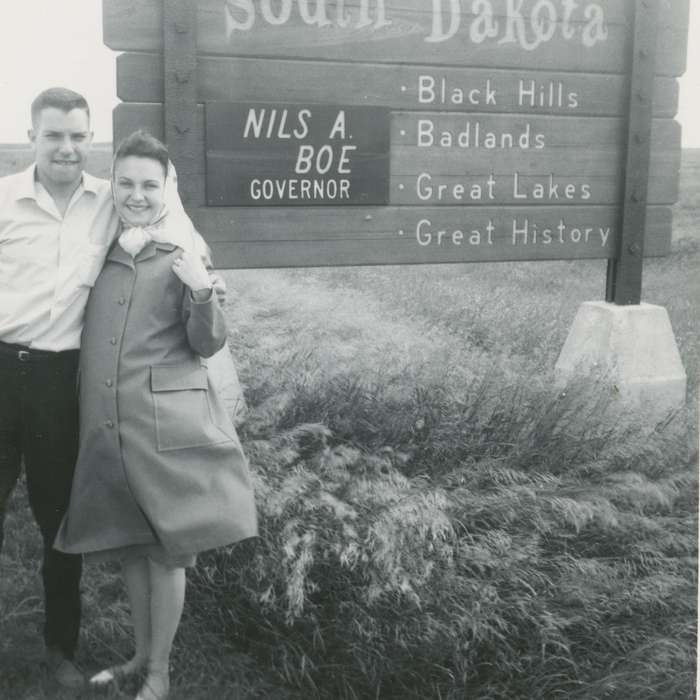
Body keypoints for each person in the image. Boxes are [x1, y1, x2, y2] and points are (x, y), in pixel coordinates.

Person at [54, 130, 258, 700]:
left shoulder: (183, 256)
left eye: (149, 184)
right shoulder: (103, 254)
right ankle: (139, 656)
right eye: (126, 183)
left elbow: (209, 342)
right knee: (130, 544)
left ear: (167, 188)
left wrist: (201, 293)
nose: (136, 195)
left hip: (165, 429)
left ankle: (160, 674)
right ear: (112, 185)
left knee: (166, 552)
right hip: (112, 427)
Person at [0, 87, 117, 688]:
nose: (66, 147)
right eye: (54, 135)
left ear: (91, 138)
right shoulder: (3, 199)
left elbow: (167, 222)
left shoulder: (109, 203)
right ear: (32, 138)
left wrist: (206, 276)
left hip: (58, 380)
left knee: (60, 521)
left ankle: (59, 650)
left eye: (77, 135)